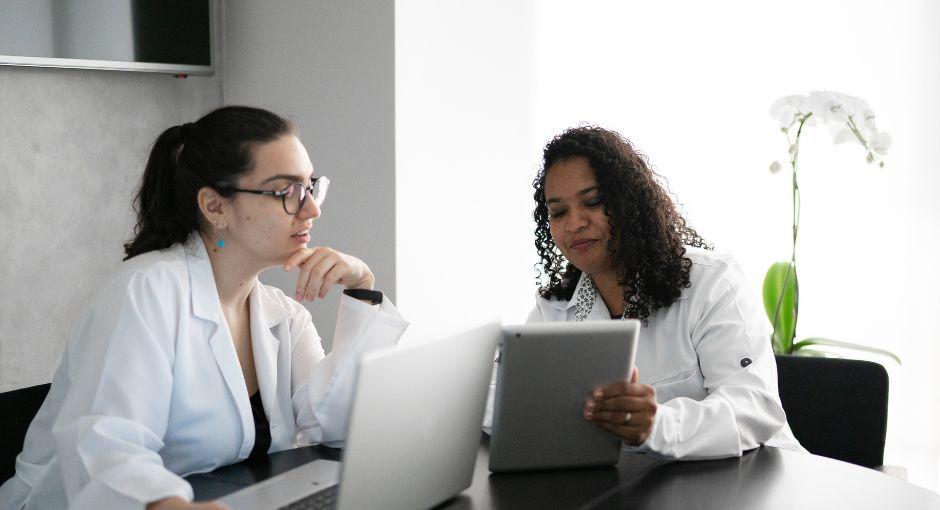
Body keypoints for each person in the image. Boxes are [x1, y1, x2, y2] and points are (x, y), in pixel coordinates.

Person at [0, 106, 407, 509]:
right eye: (287, 192)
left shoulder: (279, 312)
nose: (312, 209)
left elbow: (334, 424)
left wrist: (363, 289)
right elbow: (107, 447)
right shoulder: (145, 292)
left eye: (310, 186)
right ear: (215, 207)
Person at [486, 125, 803, 459]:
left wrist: (658, 425)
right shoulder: (555, 309)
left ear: (629, 203)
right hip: (641, 484)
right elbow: (501, 396)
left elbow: (754, 408)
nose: (574, 223)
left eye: (592, 202)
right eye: (559, 211)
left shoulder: (710, 282)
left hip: (757, 478)